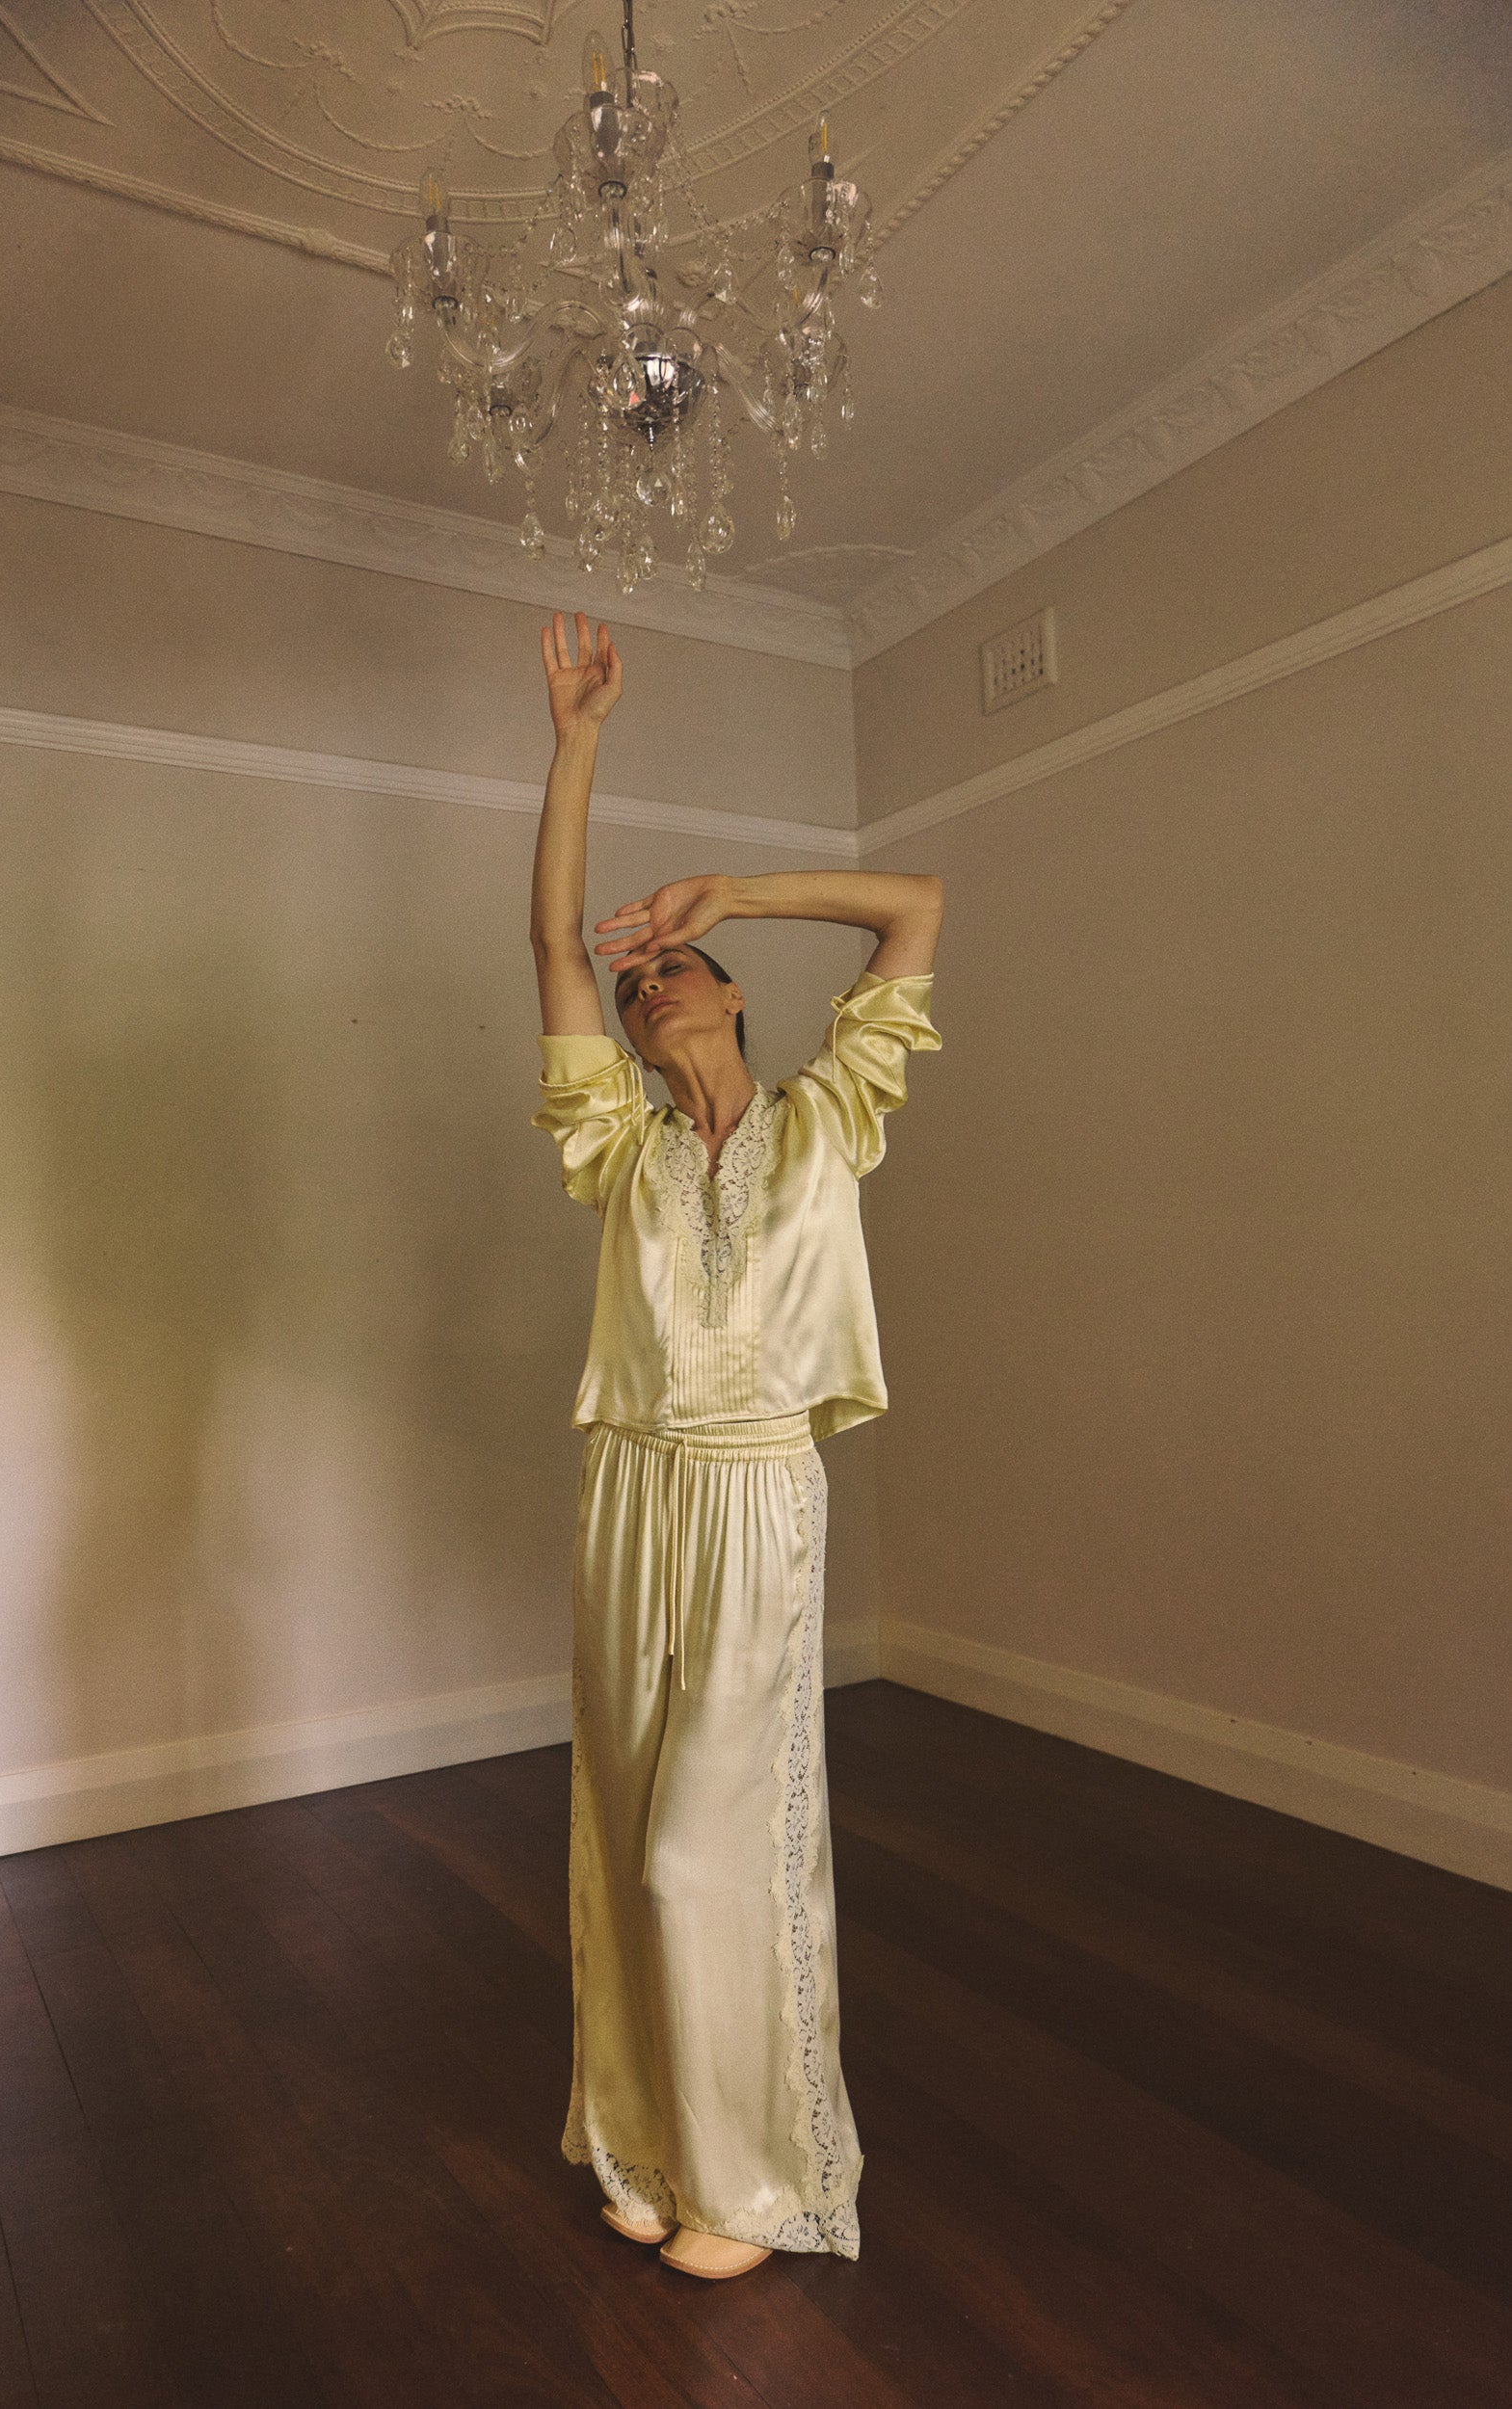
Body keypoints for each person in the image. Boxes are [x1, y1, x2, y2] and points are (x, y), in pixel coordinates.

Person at [529, 607, 942, 2282]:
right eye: (634, 986)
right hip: (628, 1490)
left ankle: (751, 2176)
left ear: (732, 991)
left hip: (761, 1489)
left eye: (669, 967)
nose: (643, 985)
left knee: (714, 1840)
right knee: (627, 1835)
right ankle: (640, 2143)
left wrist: (727, 890)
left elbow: (913, 909)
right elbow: (552, 944)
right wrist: (579, 744)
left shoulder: (833, 1115)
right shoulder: (615, 1143)